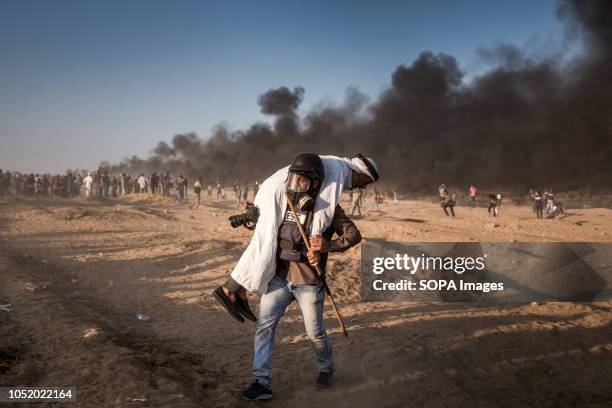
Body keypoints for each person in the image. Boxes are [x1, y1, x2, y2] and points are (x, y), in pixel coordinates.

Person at [214, 153, 373, 400]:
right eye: (295, 180)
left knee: (315, 333)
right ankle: (261, 383)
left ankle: (325, 369)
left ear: (317, 182)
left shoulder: (329, 209)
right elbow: (265, 235)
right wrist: (252, 219)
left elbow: (354, 235)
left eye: (303, 182)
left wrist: (326, 247)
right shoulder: (282, 201)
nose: (298, 185)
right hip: (278, 279)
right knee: (264, 328)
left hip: (309, 282)